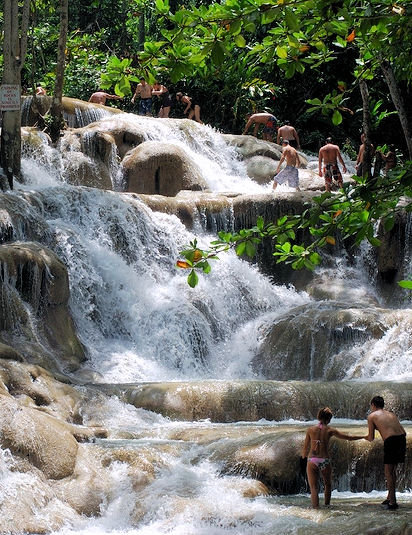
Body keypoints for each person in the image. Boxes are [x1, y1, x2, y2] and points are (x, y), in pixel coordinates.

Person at [301, 407, 363, 509]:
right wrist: (363, 436)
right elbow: (348, 438)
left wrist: (303, 457)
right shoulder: (330, 430)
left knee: (314, 487)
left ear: (319, 416)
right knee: (327, 484)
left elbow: (304, 449)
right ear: (329, 419)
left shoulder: (310, 430)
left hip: (312, 460)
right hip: (325, 460)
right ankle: (327, 505)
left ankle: (315, 509)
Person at [364, 396, 406, 510]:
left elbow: (371, 438)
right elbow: (403, 431)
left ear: (373, 405)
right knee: (392, 471)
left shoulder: (372, 416)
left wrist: (361, 437)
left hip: (391, 441)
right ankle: (389, 496)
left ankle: (393, 502)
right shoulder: (391, 414)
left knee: (389, 472)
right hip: (401, 438)